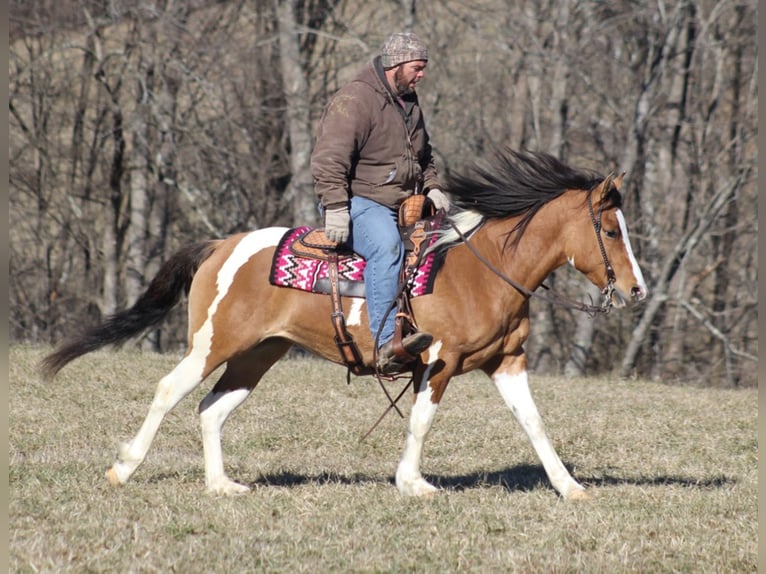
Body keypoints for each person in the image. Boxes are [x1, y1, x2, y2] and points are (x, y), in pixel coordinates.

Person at [311, 32, 450, 374]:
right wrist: (335, 208)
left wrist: (432, 187)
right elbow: (329, 160)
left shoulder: (410, 102)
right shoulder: (354, 100)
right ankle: (386, 344)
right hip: (359, 202)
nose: (422, 75)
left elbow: (424, 155)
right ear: (396, 65)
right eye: (417, 68)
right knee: (387, 247)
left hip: (405, 203)